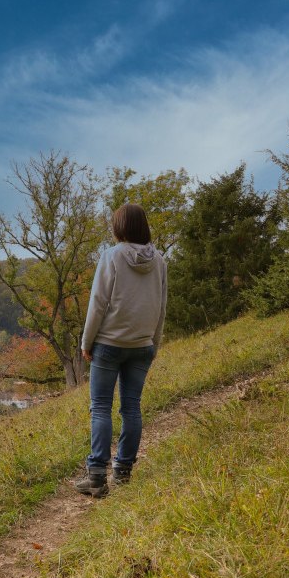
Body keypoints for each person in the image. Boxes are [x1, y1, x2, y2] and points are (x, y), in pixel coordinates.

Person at [75, 203, 167, 498]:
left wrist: (86, 342)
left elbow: (98, 302)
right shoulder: (161, 262)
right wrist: (155, 341)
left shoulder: (111, 257)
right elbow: (161, 305)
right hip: (142, 345)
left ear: (119, 227)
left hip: (109, 344)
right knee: (131, 408)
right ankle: (123, 471)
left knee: (100, 407)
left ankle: (97, 477)